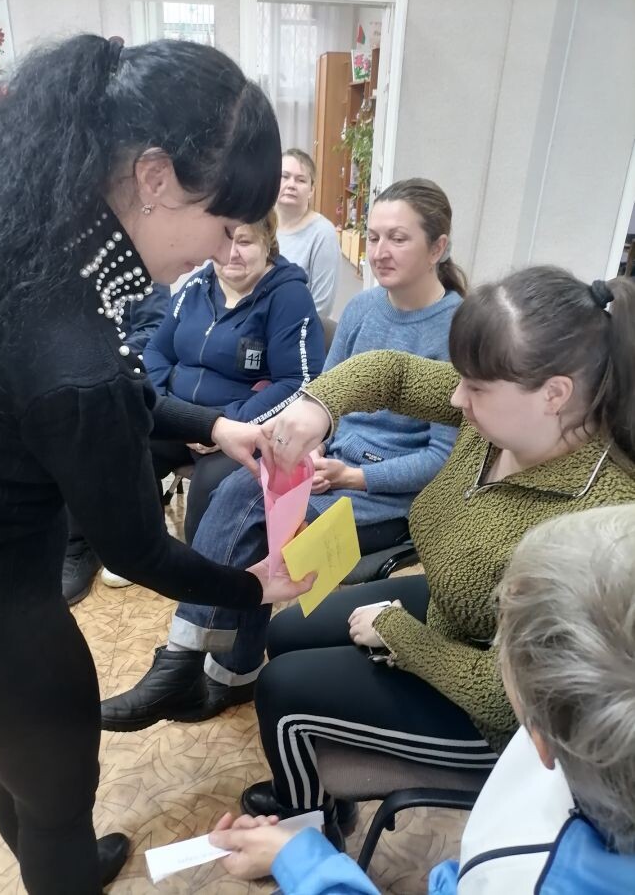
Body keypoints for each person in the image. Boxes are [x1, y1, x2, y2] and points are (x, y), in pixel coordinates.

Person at [0, 34, 314, 895]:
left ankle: (60, 854)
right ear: (154, 177)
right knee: (57, 790)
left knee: (28, 773)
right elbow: (138, 548)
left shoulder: (34, 237)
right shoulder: (70, 348)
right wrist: (251, 587)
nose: (224, 250)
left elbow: (105, 391)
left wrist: (217, 424)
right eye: (222, 223)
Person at [234, 268, 635, 842]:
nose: (455, 397)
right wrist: (317, 406)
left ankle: (309, 831)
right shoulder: (503, 420)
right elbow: (392, 373)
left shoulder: (597, 524)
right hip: (453, 603)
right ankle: (317, 786)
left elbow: (515, 700)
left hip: (493, 717)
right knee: (287, 630)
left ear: (555, 393)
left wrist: (401, 635)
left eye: (475, 387)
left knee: (282, 688)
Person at [100, 178, 465, 740]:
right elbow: (326, 398)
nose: (380, 252)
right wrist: (311, 447)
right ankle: (226, 670)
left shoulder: (460, 329)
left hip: (385, 493)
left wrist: (355, 476)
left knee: (251, 510)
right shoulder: (364, 308)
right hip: (330, 464)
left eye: (399, 238)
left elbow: (443, 458)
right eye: (372, 237)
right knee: (252, 495)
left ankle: (191, 658)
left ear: (438, 246)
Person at [208, 505, 635, 895]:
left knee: (283, 685)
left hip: (471, 717)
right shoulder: (582, 735)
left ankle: (317, 821)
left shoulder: (522, 877)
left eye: (502, 637)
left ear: (539, 734)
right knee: (288, 643)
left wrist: (301, 862)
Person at [145, 210, 325, 544]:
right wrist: (161, 406)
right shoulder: (197, 286)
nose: (232, 253)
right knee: (124, 447)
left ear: (267, 244)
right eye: (223, 240)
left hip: (242, 427)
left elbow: (298, 382)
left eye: (245, 242)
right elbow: (156, 351)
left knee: (212, 489)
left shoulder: (288, 297)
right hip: (182, 417)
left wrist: (225, 423)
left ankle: (201, 567)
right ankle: (137, 547)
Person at [63, 283, 171, 603]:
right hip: (72, 375)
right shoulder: (59, 270)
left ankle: (119, 541)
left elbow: (154, 330)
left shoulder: (142, 268)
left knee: (91, 418)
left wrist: (101, 358)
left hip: (125, 371)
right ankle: (76, 541)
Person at [276, 148, 340, 320]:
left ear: (311, 190)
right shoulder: (259, 225)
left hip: (296, 327)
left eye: (301, 180)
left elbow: (321, 308)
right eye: (284, 176)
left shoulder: (323, 234)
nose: (291, 185)